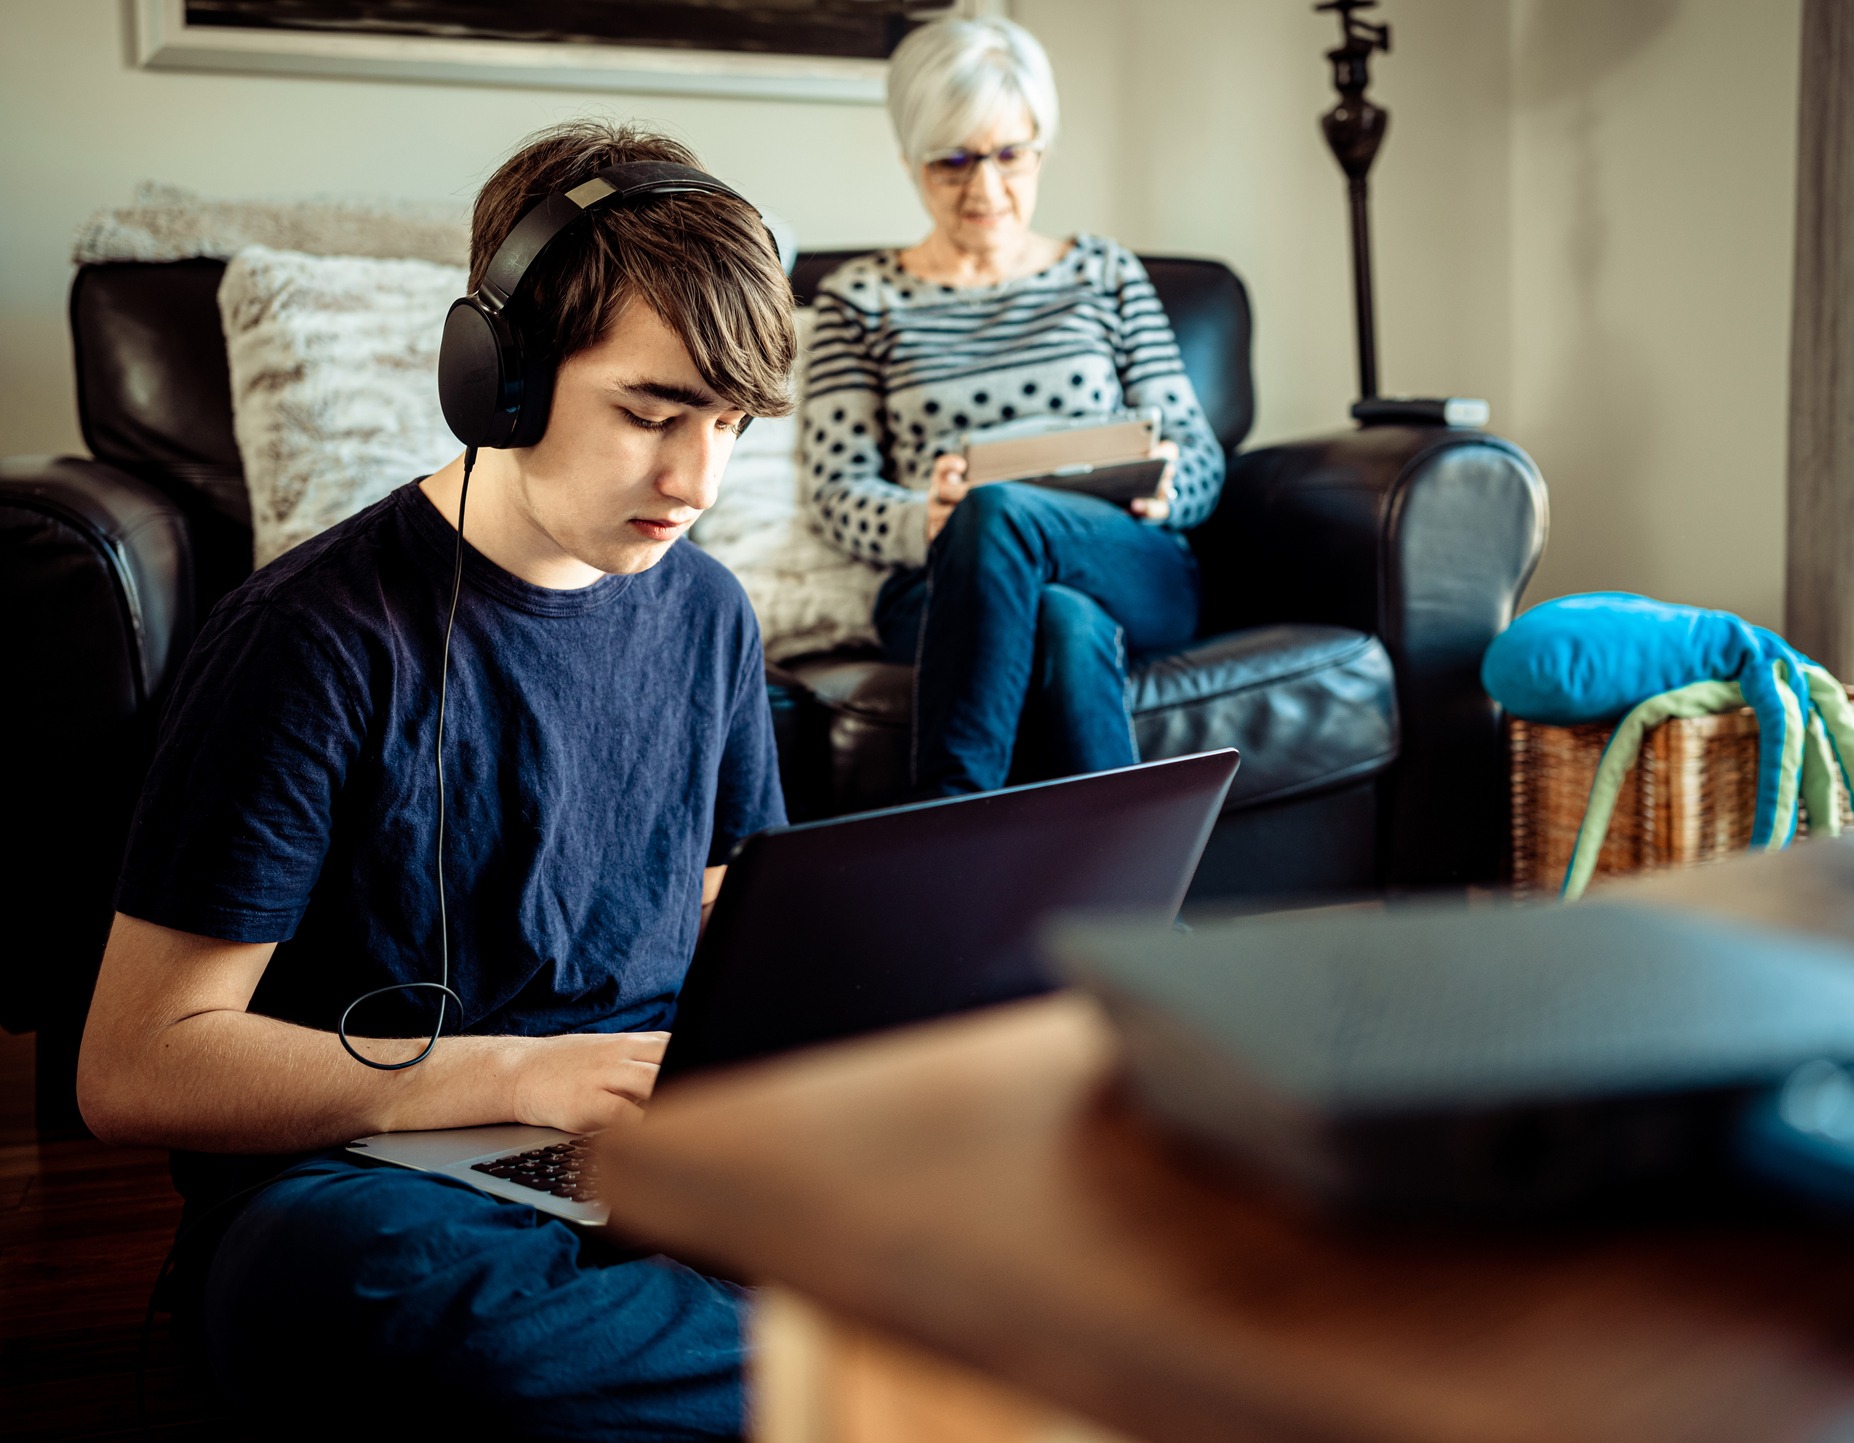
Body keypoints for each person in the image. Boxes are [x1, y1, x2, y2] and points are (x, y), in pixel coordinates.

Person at [75, 121, 795, 1439]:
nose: (697, 479)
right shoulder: (308, 638)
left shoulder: (709, 616)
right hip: (377, 1180)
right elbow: (134, 1067)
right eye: (650, 413)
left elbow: (722, 904)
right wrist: (516, 1077)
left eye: (731, 423)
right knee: (384, 1306)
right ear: (498, 379)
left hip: (646, 1139)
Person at [802, 16, 1226, 797]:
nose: (985, 188)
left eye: (1009, 155)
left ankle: (948, 829)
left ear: (1041, 146)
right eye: (953, 161)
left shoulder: (1104, 274)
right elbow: (836, 492)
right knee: (1060, 616)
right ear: (911, 158)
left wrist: (1167, 486)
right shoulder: (858, 300)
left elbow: (1198, 454)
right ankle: (1133, 908)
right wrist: (924, 518)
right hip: (943, 584)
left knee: (1001, 510)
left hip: (1127, 561)